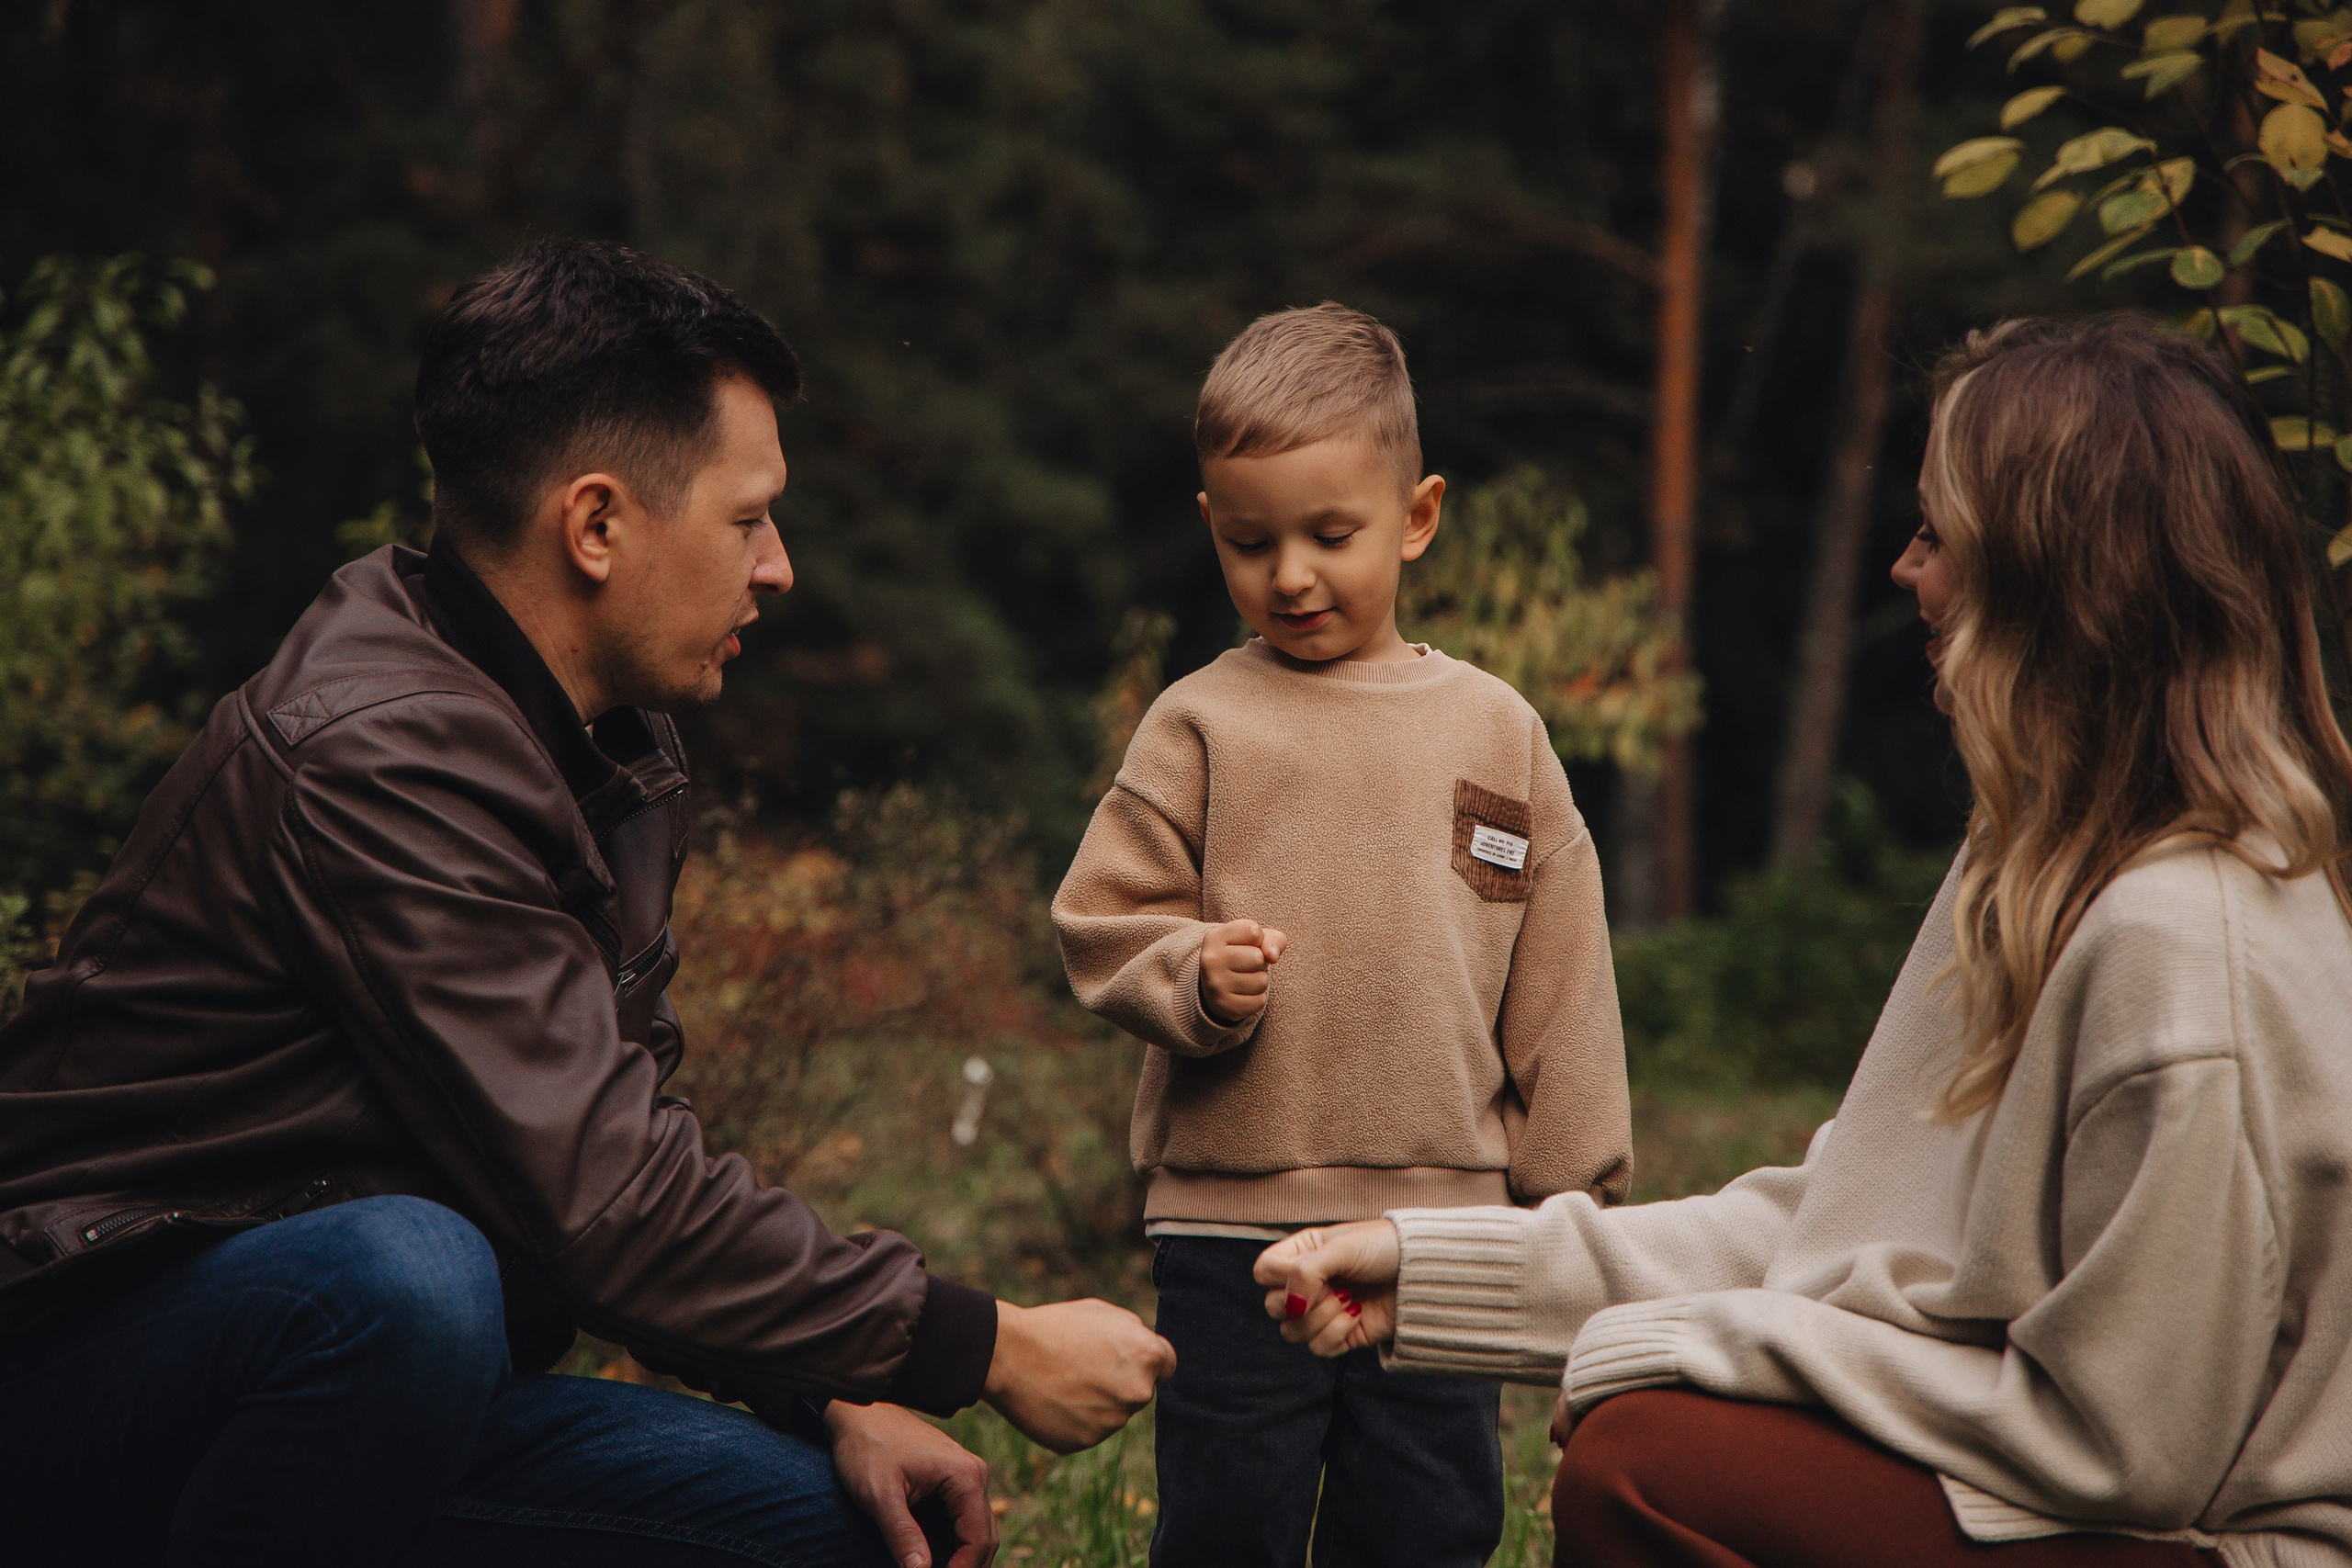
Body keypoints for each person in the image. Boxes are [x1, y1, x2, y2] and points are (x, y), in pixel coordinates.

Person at [0, 239, 1175, 1568]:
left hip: (356, 1397)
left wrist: (836, 1395)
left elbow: (611, 1152)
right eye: (748, 518)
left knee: (843, 1533)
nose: (779, 567)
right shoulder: (378, 755)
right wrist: (991, 1343)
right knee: (412, 1279)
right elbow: (606, 1200)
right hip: (87, 1387)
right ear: (598, 524)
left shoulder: (593, 744)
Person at [1254, 313, 2352, 1568]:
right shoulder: (2038, 860)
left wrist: (1696, 1355)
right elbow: (1835, 1233)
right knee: (1661, 1436)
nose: (1905, 568)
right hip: (2101, 1508)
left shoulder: (2181, 949)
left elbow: (2125, 1448)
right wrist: (1427, 1270)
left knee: (1652, 1466)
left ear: (2050, 581)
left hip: (2214, 1543)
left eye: (1939, 533)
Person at [1052, 302, 1633, 1568]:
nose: (1292, 576)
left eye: (1331, 534)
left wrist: (1574, 1209)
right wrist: (1187, 973)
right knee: (1228, 1523)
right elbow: (1100, 919)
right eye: (1252, 543)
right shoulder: (1199, 724)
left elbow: (1564, 983)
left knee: (1428, 1523)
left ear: (1416, 516)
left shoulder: (1497, 732)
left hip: (1448, 1241)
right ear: (1211, 525)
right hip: (1229, 1231)